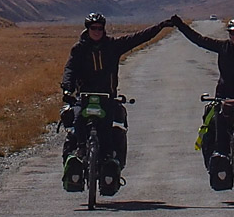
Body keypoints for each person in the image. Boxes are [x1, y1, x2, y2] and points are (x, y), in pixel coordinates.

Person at [59, 11, 169, 195]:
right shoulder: (79, 49)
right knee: (77, 122)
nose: (97, 31)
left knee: (107, 130)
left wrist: (160, 26)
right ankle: (80, 151)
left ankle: (108, 160)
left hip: (107, 97)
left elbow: (138, 38)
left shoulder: (112, 46)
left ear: (104, 29)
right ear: (87, 29)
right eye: (93, 28)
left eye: (100, 28)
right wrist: (67, 89)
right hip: (84, 97)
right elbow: (70, 69)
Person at [169, 15, 234, 190]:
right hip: (223, 97)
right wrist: (180, 25)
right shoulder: (222, 47)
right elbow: (199, 40)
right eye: (233, 33)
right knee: (218, 129)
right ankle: (220, 162)